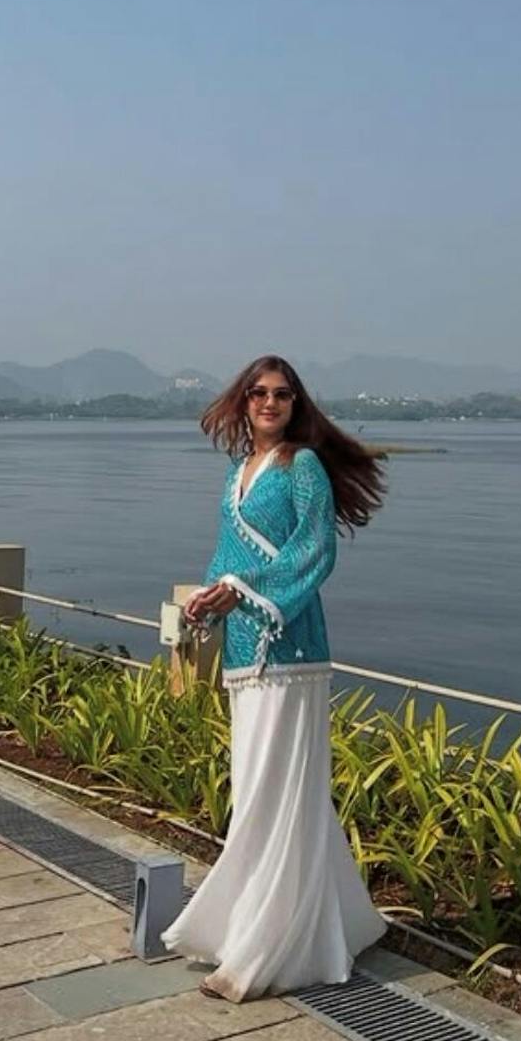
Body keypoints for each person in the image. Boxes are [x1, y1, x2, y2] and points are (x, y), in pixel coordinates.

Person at [161, 354, 388, 1001]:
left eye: (282, 394)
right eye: (258, 392)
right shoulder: (237, 472)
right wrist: (209, 599)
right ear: (243, 401)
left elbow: (315, 549)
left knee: (277, 789)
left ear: (295, 404)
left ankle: (266, 947)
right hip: (243, 649)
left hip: (291, 648)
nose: (269, 402)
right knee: (257, 784)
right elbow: (227, 556)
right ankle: (319, 919)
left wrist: (243, 589)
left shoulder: (302, 466)